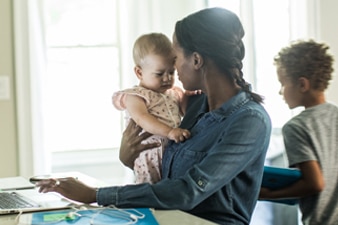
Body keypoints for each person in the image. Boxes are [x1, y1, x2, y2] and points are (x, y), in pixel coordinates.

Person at [37, 7, 272, 224]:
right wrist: (129, 157)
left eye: (175, 59)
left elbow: (187, 190)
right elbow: (171, 172)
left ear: (197, 60)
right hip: (167, 217)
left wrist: (95, 194)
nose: (175, 70)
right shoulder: (193, 106)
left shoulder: (249, 121)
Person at [259, 40, 338, 225]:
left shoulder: (296, 127)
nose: (280, 92)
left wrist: (269, 194)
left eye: (282, 83)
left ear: (302, 84)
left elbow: (315, 183)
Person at [113, 32, 192, 184]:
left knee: (170, 191)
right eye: (159, 74)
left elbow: (186, 112)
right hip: (149, 155)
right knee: (147, 191)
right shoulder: (136, 96)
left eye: (171, 72)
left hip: (172, 152)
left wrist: (189, 95)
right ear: (139, 72)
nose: (167, 78)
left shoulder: (173, 93)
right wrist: (169, 132)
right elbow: (142, 118)